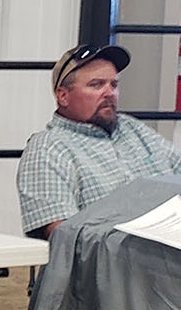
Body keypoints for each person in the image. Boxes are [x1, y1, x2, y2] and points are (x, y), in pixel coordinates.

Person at [17, 43, 181, 238]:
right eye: (96, 85)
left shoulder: (133, 129)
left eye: (114, 85)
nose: (109, 93)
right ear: (63, 96)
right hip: (116, 259)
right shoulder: (48, 148)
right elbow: (64, 236)